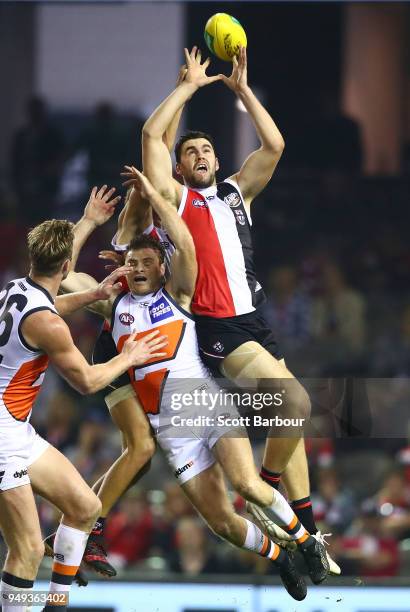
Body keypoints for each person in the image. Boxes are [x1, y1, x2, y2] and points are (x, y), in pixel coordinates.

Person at [65, 168, 331, 601]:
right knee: (222, 522)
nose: (138, 267)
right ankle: (280, 557)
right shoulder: (110, 305)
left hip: (208, 407)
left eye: (148, 261)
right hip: (174, 431)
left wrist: (156, 193)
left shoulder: (180, 295)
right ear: (121, 267)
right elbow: (59, 276)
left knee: (247, 484)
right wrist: (90, 221)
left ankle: (307, 544)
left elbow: (186, 242)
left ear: (162, 267)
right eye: (131, 261)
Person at [141, 46, 339, 574]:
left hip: (254, 321)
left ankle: (306, 533)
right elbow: (149, 139)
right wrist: (188, 86)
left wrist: (242, 90)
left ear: (218, 159)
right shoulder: (175, 200)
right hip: (216, 326)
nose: (201, 154)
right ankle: (265, 492)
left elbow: (274, 144)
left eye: (207, 149)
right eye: (191, 152)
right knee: (294, 403)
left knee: (292, 421)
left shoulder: (235, 194)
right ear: (180, 167)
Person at [0, 205, 167, 611]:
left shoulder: (15, 289)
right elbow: (88, 382)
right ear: (68, 264)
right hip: (2, 437)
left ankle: (57, 605)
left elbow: (49, 304)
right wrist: (128, 357)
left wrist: (93, 293)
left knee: (86, 507)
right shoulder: (49, 324)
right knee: (26, 549)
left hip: (15, 429)